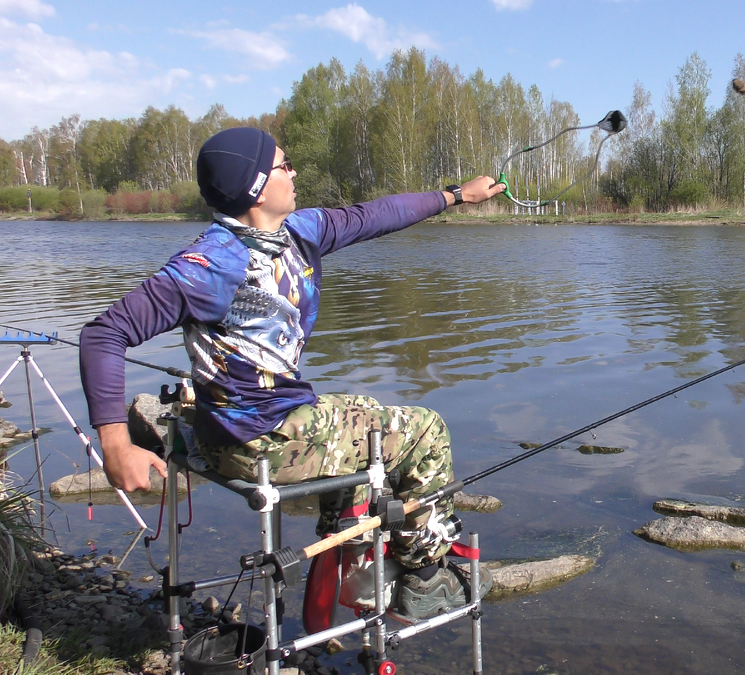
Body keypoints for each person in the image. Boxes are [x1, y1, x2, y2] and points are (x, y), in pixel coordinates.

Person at [78, 127, 506, 619]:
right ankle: (427, 578)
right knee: (426, 431)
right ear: (255, 185)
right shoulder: (212, 263)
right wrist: (115, 444)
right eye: (283, 165)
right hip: (254, 440)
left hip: (257, 422)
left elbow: (372, 215)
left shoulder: (296, 232)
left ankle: (347, 541)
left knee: (365, 410)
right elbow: (104, 334)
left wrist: (454, 195)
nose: (293, 171)